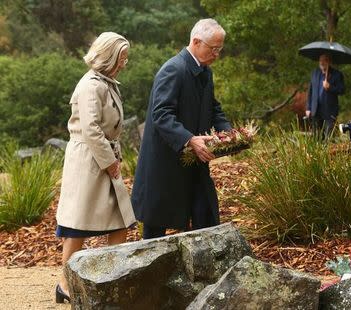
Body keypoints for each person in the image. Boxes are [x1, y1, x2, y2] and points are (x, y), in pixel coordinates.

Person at [131, 18, 232, 239]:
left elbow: (213, 108)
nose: (217, 54)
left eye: (219, 49)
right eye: (213, 48)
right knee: (155, 232)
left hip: (194, 163)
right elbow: (161, 114)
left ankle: (204, 272)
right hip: (165, 164)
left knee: (205, 221)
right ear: (196, 42)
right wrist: (189, 139)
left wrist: (229, 133)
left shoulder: (205, 71)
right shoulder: (173, 69)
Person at [55, 32, 136, 303]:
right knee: (78, 225)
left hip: (100, 157)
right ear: (108, 56)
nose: (124, 63)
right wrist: (110, 162)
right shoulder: (91, 84)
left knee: (120, 221)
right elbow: (90, 129)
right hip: (89, 161)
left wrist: (113, 158)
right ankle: (64, 284)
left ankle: (110, 280)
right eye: (121, 57)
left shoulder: (106, 82)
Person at [305, 53, 345, 137]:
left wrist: (330, 87)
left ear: (329, 61)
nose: (322, 62)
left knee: (328, 136)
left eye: (325, 60)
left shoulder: (337, 74)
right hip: (315, 110)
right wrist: (308, 108)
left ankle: (330, 150)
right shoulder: (315, 73)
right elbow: (310, 91)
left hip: (329, 111)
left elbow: (342, 90)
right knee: (316, 137)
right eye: (320, 60)